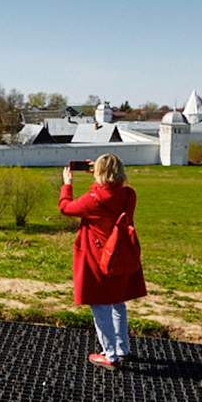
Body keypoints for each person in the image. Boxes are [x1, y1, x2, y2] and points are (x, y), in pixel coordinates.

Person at [59, 154, 146, 370]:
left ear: (99, 173)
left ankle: (110, 355)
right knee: (118, 302)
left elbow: (66, 208)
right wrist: (100, 176)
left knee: (100, 305)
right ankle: (122, 349)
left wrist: (67, 186)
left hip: (98, 259)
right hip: (120, 254)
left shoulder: (94, 200)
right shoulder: (129, 194)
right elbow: (113, 191)